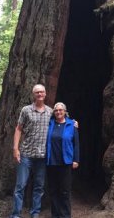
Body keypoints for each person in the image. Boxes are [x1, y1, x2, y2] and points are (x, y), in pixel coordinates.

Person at [10, 84, 52, 218]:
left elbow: (63, 119)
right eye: (37, 92)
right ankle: (16, 214)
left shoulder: (50, 112)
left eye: (42, 92)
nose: (40, 94)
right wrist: (15, 148)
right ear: (33, 95)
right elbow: (18, 129)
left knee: (39, 187)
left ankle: (35, 213)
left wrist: (74, 123)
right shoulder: (26, 110)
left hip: (42, 156)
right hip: (26, 154)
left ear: (45, 94)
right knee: (20, 186)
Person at [46, 102, 79, 218]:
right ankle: (55, 215)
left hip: (66, 162)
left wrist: (76, 160)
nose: (58, 112)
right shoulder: (50, 124)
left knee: (65, 191)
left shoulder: (71, 125)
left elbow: (76, 144)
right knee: (53, 191)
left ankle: (65, 215)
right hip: (51, 162)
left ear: (65, 111)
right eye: (56, 110)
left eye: (61, 110)